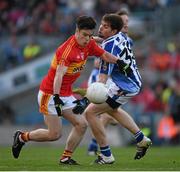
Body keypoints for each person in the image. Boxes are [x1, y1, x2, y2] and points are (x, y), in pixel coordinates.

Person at [11, 15, 126, 165]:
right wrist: (57, 98)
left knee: (82, 124)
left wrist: (119, 62)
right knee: (54, 134)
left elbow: (103, 54)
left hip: (65, 94)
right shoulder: (67, 50)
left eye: (90, 35)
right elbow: (59, 75)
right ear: (77, 31)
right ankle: (21, 137)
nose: (87, 39)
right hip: (50, 93)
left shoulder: (89, 44)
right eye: (84, 35)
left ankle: (65, 158)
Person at [73, 13, 152, 164]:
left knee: (90, 112)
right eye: (102, 24)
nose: (101, 27)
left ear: (114, 30)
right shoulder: (120, 36)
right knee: (112, 110)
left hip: (125, 85)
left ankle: (106, 155)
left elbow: (102, 79)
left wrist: (85, 99)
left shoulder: (108, 48)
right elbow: (105, 40)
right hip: (130, 81)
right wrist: (88, 38)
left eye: (106, 26)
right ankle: (141, 139)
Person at [87, 10, 132, 155]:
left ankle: (96, 147)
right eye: (123, 20)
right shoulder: (107, 38)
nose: (126, 23)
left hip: (111, 79)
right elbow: (99, 61)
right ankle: (96, 147)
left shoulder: (125, 40)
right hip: (100, 77)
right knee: (102, 114)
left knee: (105, 114)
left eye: (127, 21)